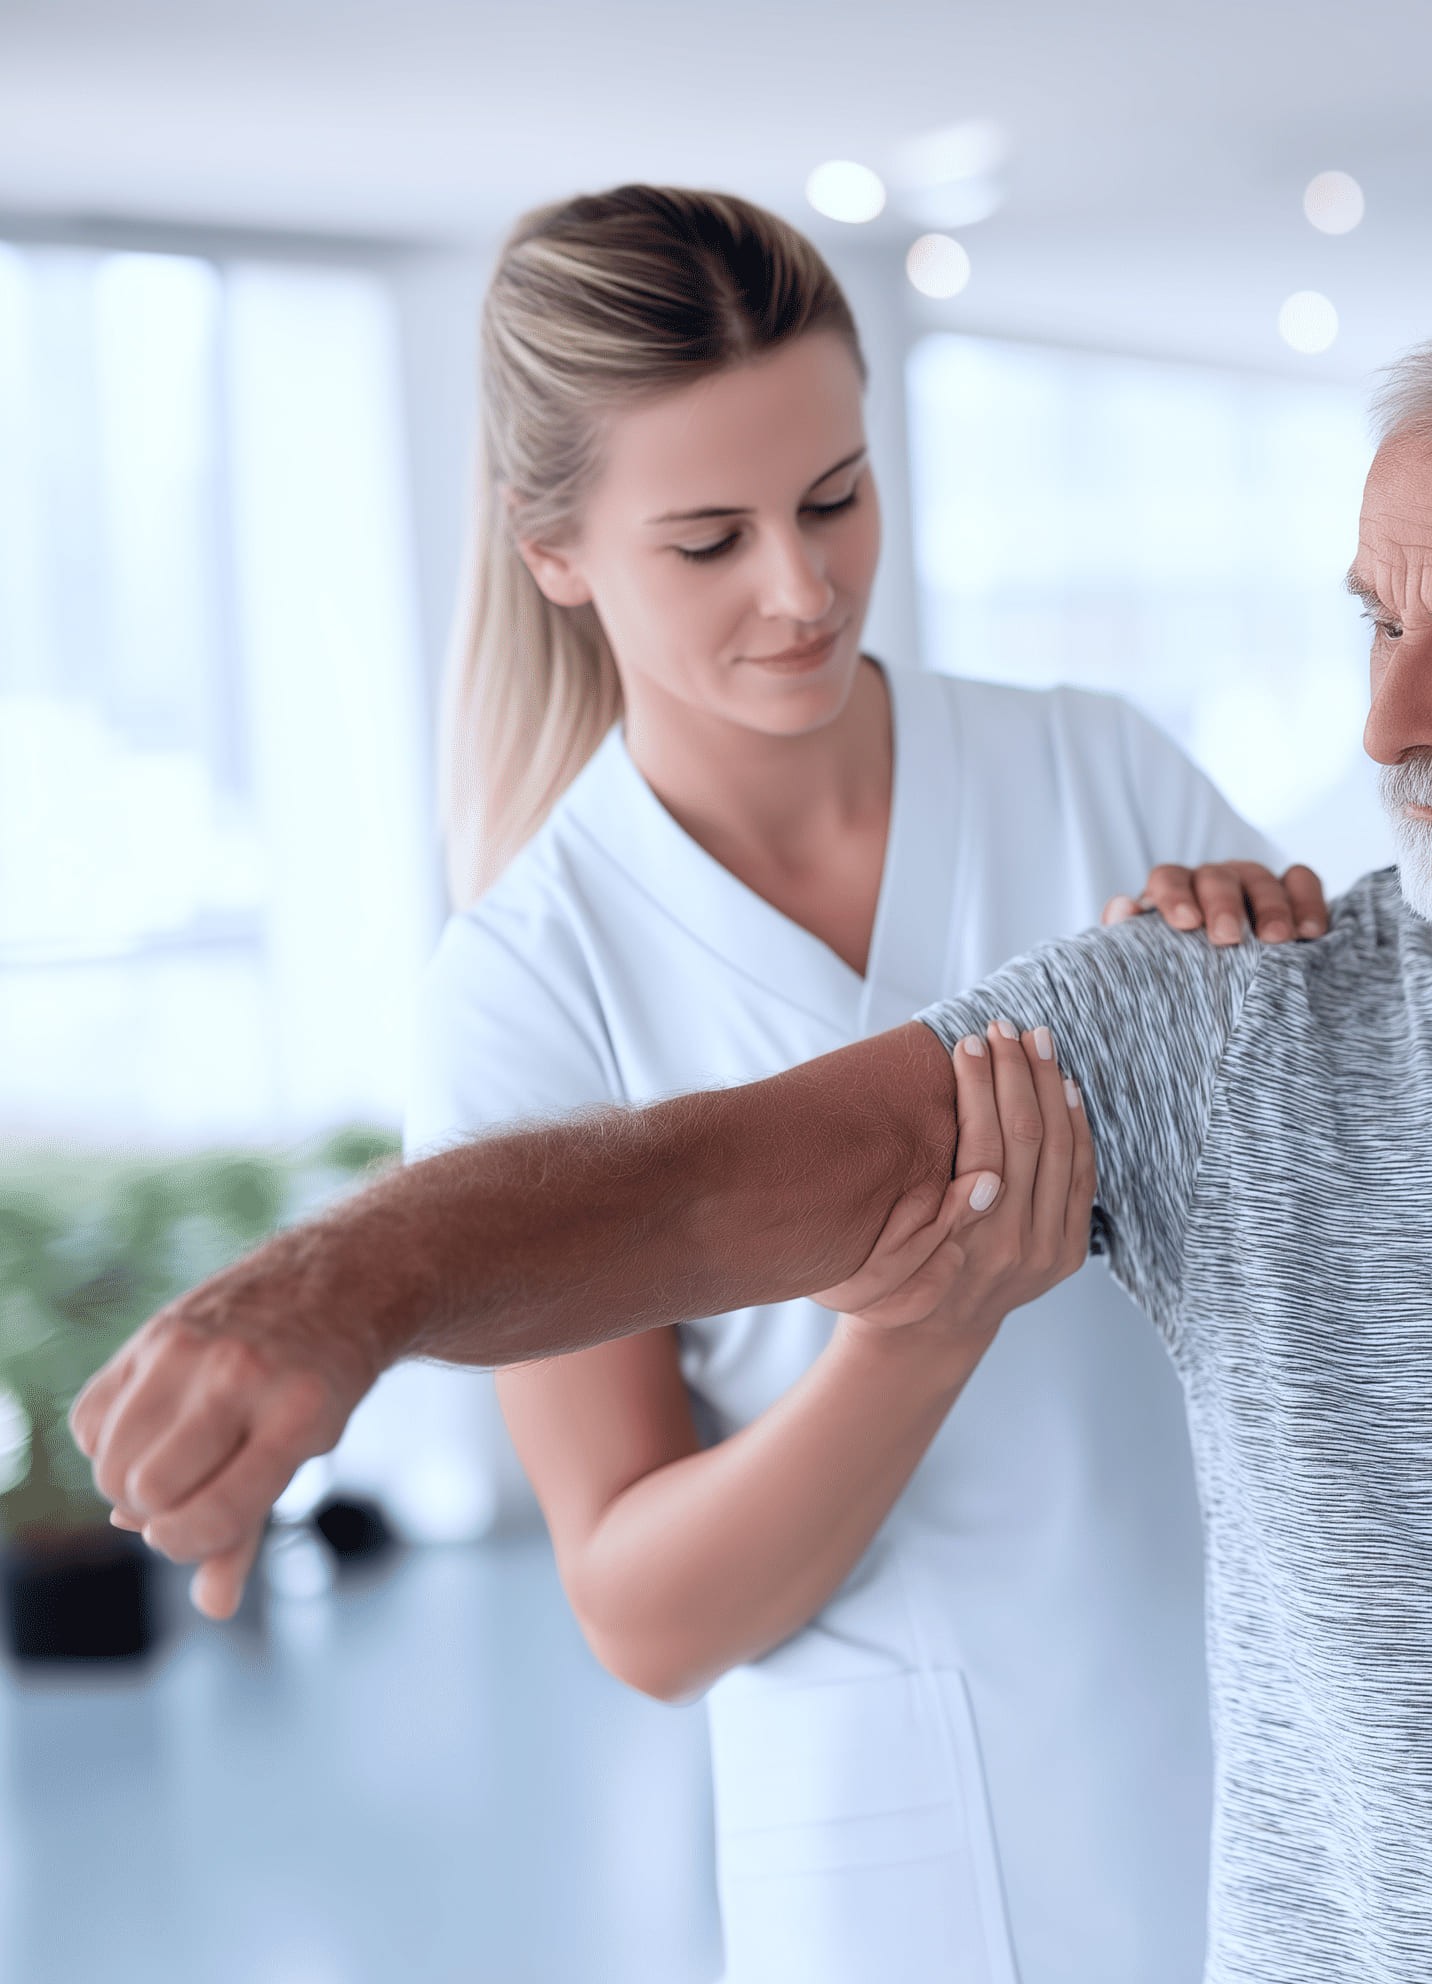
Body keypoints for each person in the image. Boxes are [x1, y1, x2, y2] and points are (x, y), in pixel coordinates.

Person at [79, 281, 1432, 1983]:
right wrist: (343, 1281)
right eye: (1371, 623)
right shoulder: (1228, 1016)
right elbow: (729, 1170)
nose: (1384, 719)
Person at [405, 186, 1323, 1984]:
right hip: (910, 1861)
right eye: (708, 539)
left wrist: (1291, 983)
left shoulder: (1102, 776)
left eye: (835, 496)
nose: (802, 586)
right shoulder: (530, 988)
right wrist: (910, 1341)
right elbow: (644, 1612)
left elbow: (1367, 1242)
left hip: (1276, 1761)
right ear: (556, 549)